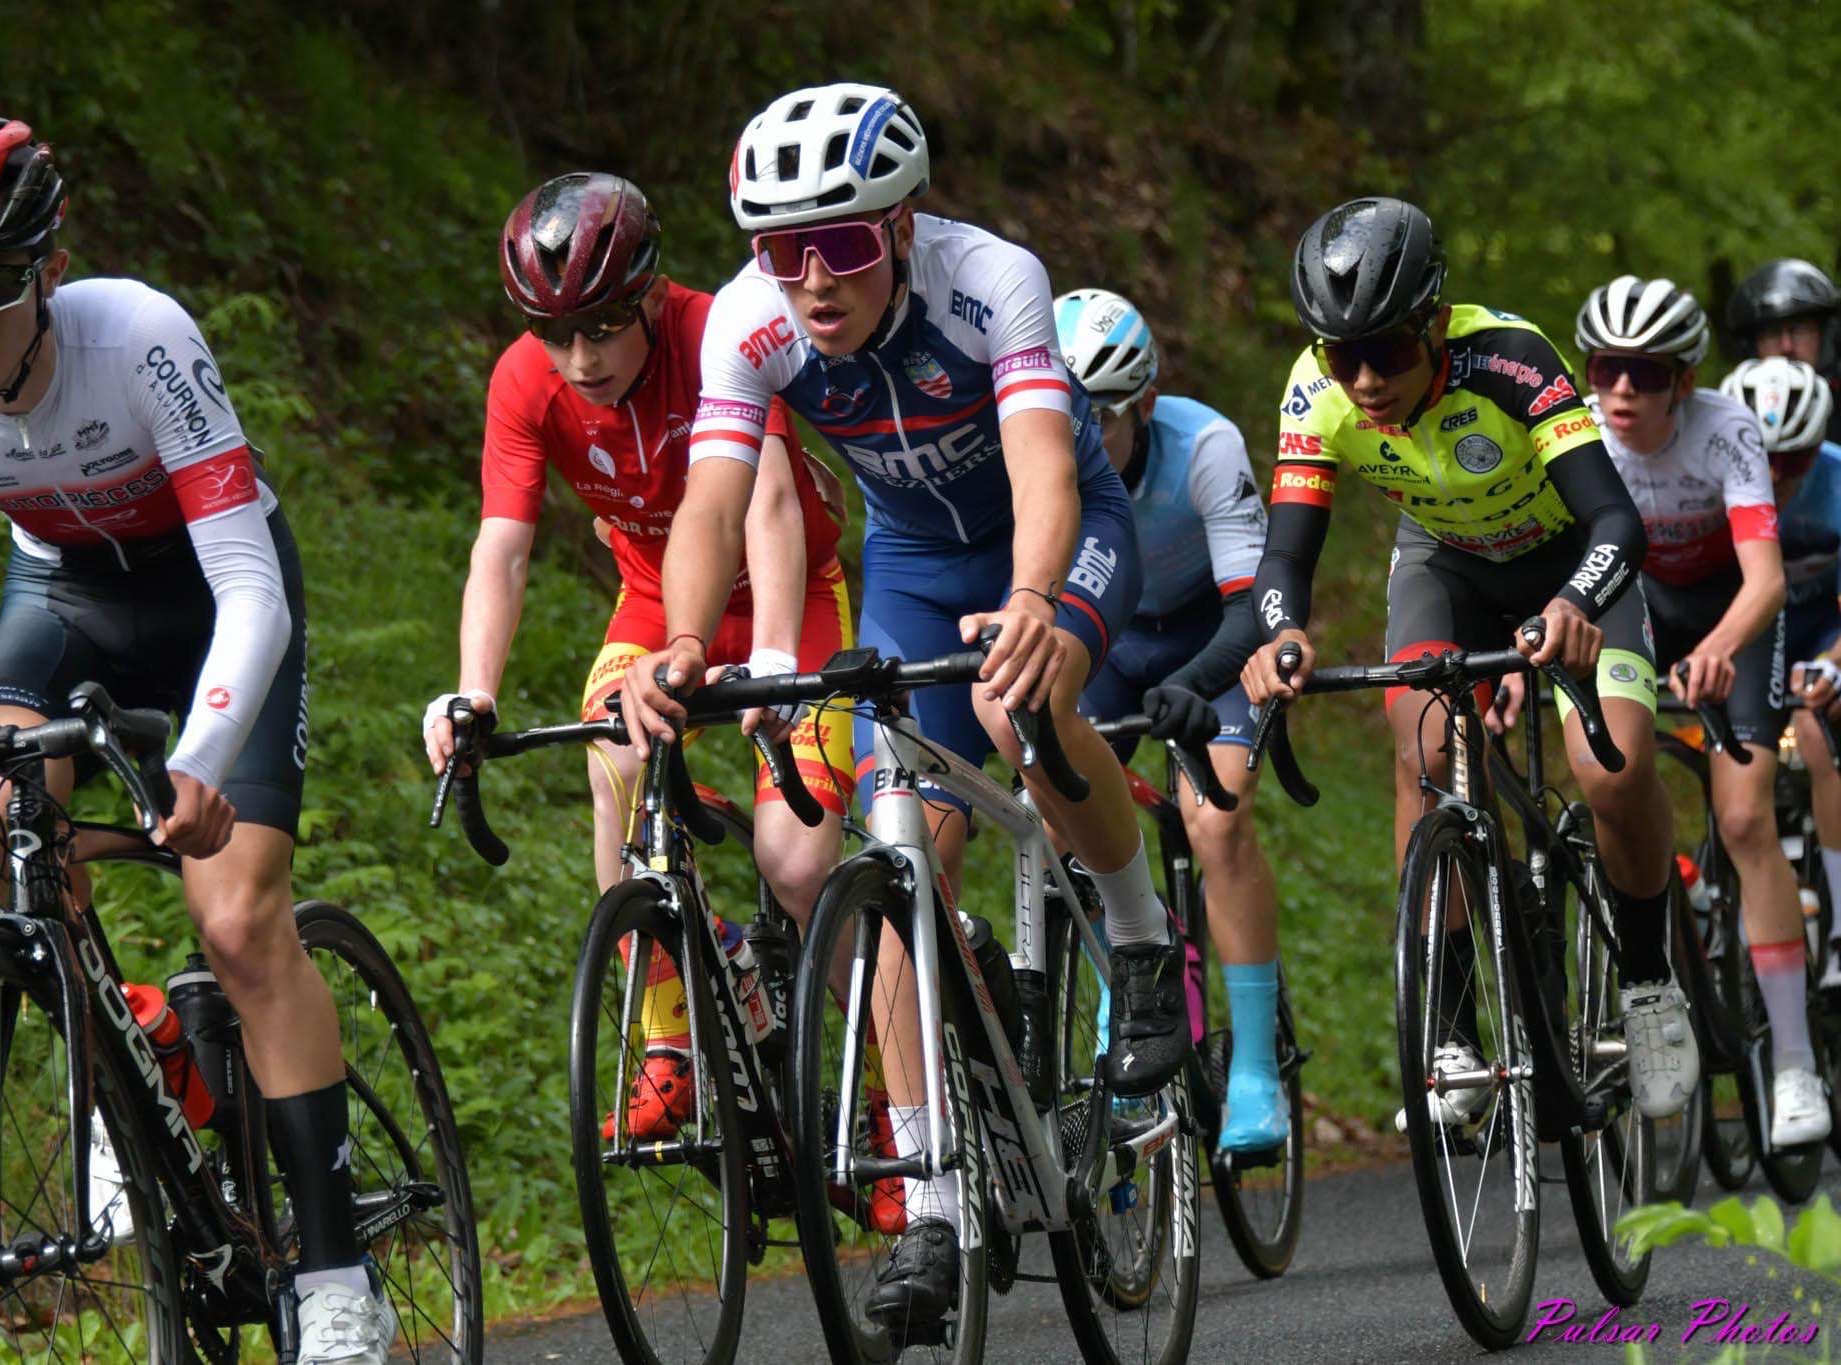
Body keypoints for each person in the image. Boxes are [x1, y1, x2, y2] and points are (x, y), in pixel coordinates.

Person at [0, 110, 393, 1359]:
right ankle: (133, 1060)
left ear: (50, 267)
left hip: (215, 599)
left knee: (235, 919)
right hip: (63, 605)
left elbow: (252, 589)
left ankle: (335, 1271)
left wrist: (202, 763)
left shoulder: (140, 338)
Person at [615, 82, 1179, 1325]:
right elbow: (710, 503)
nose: (812, 279)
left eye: (844, 244)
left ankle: (1138, 940)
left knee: (1031, 709)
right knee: (895, 866)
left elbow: (1041, 459)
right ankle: (930, 1205)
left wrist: (1036, 594)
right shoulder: (751, 329)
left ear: (907, 227)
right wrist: (687, 642)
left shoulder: (991, 282)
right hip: (917, 569)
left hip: (1059, 536)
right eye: (780, 249)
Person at [1240, 198, 1698, 1130]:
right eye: (1340, 354)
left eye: (1387, 352)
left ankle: (1650, 984)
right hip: (1447, 563)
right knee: (1424, 754)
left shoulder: (1513, 359)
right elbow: (1285, 557)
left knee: (1608, 772)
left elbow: (1617, 520)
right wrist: (1282, 633)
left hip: (1573, 564)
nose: (1364, 380)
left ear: (1435, 323)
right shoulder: (1314, 389)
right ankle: (1451, 1031)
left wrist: (1572, 604)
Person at [419, 171, 856, 1148]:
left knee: (795, 863)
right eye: (552, 330)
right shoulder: (524, 384)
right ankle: (676, 1041)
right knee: (611, 754)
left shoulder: (720, 335)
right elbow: (503, 547)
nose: (579, 358)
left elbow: (773, 507)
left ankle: (876, 1085)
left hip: (788, 599)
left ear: (654, 295)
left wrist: (780, 663)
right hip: (662, 609)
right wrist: (472, 691)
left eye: (603, 326)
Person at [1576, 277, 1825, 1146]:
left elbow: (1765, 577)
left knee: (1747, 816)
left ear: (1683, 380)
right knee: (1610, 768)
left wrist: (1720, 645)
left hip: (1732, 608)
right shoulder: (1576, 433)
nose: (1621, 392)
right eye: (1605, 369)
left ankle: (1794, 1060)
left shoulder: (1728, 431)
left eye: (1644, 374)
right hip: (1637, 600)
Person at [1053, 287, 1286, 1152]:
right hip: (1107, 643)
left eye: (1100, 422)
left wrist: (1197, 679)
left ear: (1145, 404)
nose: (1080, 444)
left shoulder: (1205, 446)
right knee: (1069, 816)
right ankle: (1145, 948)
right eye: (1067, 420)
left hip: (1208, 638)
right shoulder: (1035, 453)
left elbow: (1252, 603)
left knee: (1216, 819)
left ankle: (1257, 1068)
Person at [1723, 357, 1841, 991]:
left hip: (1823, 635)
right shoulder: (1705, 476)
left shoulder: (1839, 482)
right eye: (1758, 455)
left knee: (1820, 731)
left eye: (1792, 461)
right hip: (1746, 635)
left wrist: (1829, 665)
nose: (1771, 474)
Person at [1725, 259, 1841, 444]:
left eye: (1799, 330)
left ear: (1825, 336)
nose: (1786, 346)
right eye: (1771, 333)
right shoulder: (1730, 415)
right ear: (1752, 346)